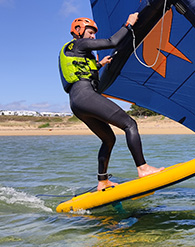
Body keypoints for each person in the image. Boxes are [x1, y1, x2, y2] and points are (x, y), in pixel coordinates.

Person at [59, 14, 163, 191]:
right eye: (90, 32)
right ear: (78, 31)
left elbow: (81, 70)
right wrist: (128, 24)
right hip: (85, 95)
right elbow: (112, 41)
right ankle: (143, 168)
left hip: (76, 103)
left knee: (108, 138)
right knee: (130, 124)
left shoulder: (72, 50)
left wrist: (100, 64)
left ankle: (102, 182)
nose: (92, 36)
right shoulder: (79, 43)